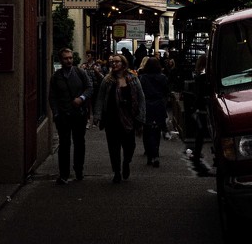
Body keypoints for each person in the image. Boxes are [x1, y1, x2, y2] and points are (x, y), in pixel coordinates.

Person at [95, 53, 145, 183]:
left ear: (123, 64)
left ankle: (126, 162)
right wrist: (98, 115)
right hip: (112, 118)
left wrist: (141, 116)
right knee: (113, 147)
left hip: (129, 118)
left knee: (130, 146)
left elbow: (141, 98)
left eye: (117, 62)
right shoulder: (107, 80)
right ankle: (117, 172)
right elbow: (100, 98)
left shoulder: (133, 79)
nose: (114, 64)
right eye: (113, 62)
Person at [49, 48, 93, 184]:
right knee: (64, 144)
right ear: (61, 60)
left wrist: (82, 98)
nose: (69, 60)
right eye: (66, 58)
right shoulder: (56, 77)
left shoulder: (80, 73)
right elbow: (52, 97)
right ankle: (64, 174)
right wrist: (56, 113)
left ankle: (79, 170)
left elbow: (90, 87)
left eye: (70, 58)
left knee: (79, 142)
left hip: (78, 114)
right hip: (63, 115)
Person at [138, 57, 170, 168]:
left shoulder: (143, 78)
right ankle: (156, 154)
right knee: (157, 131)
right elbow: (166, 91)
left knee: (147, 131)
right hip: (159, 105)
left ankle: (149, 155)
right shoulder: (163, 78)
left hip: (147, 105)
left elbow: (139, 93)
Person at [190, 54, 210, 169]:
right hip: (210, 105)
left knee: (200, 133)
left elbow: (197, 94)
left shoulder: (199, 77)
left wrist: (195, 107)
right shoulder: (210, 75)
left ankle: (197, 154)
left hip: (201, 108)